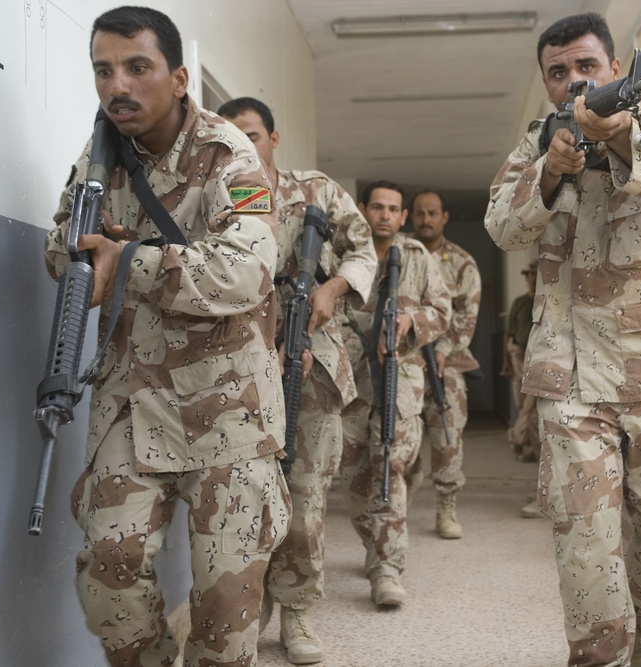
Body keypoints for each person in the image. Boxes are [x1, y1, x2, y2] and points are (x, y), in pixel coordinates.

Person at [44, 7, 290, 666]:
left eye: (137, 67)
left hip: (229, 404)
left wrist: (126, 261)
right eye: (103, 70)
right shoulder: (98, 154)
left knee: (227, 602)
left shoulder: (225, 152)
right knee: (110, 566)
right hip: (131, 398)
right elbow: (63, 239)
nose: (117, 84)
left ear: (179, 78)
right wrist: (74, 259)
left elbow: (247, 270)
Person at [484, 12, 641, 667]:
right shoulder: (538, 142)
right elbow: (503, 225)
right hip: (567, 375)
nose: (574, 82)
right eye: (557, 72)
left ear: (615, 71)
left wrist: (621, 143)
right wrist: (553, 171)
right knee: (584, 543)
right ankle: (603, 651)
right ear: (545, 84)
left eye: (586, 67)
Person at [217, 96, 377, 665]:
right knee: (243, 497)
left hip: (314, 361)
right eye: (231, 137)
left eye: (253, 136)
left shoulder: (317, 190)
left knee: (305, 498)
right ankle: (251, 603)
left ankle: (299, 611)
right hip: (238, 364)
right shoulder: (220, 194)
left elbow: (364, 251)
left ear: (274, 138)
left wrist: (331, 292)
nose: (243, 147)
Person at [340, 180, 450, 607]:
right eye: (378, 207)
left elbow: (442, 312)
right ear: (364, 210)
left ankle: (387, 568)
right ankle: (374, 544)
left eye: (394, 209)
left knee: (390, 467)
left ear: (403, 217)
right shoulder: (344, 254)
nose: (385, 215)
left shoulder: (418, 258)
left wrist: (411, 322)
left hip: (400, 380)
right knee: (353, 478)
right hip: (350, 380)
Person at [405, 190, 481, 539]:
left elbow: (467, 316)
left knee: (447, 432)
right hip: (403, 358)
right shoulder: (399, 254)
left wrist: (444, 348)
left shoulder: (462, 262)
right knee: (397, 433)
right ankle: (400, 494)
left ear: (444, 217)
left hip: (444, 362)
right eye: (419, 213)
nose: (425, 219)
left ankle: (446, 507)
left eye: (432, 213)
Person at [502, 261, 540, 466]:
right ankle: (526, 445)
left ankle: (515, 438)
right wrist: (505, 362)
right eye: (530, 275)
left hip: (537, 356)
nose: (533, 278)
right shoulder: (519, 302)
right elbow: (509, 333)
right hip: (518, 354)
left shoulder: (546, 300)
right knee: (522, 404)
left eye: (536, 274)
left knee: (530, 406)